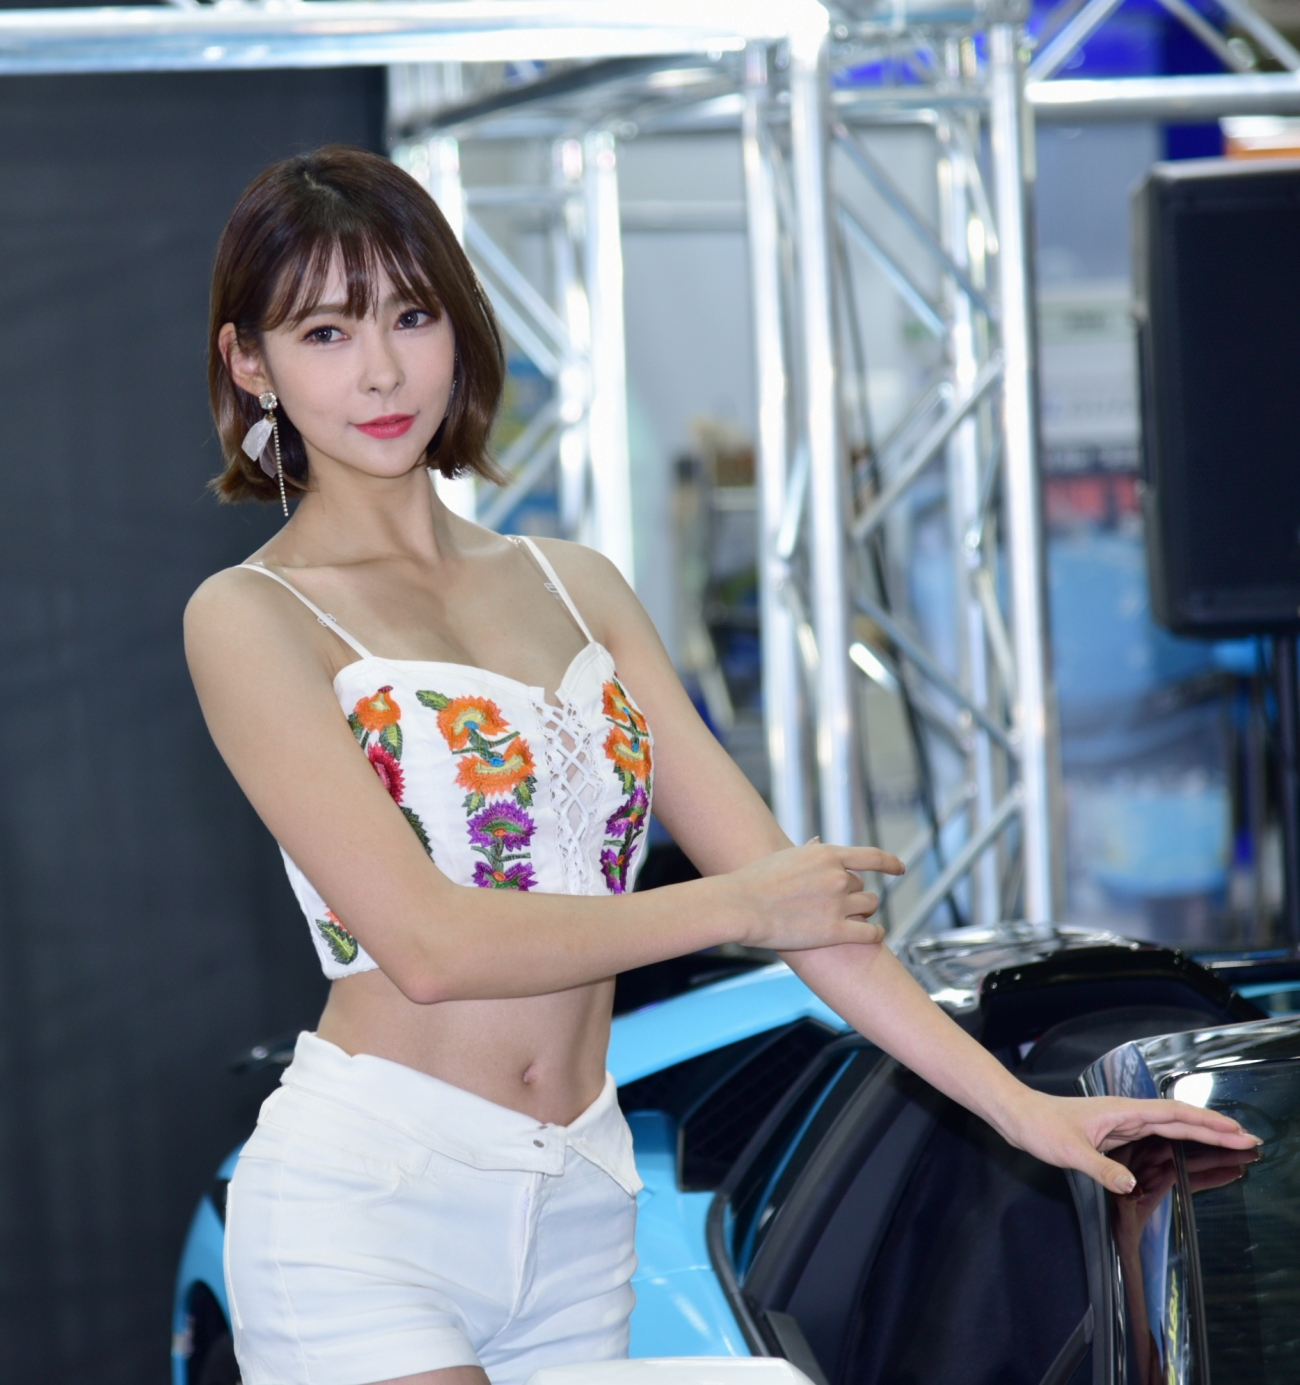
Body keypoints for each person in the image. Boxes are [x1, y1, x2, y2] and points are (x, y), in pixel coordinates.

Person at [185, 145, 1257, 1385]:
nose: (380, 370)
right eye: (325, 332)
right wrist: (745, 904)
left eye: (411, 316)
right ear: (249, 363)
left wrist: (1026, 1109)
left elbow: (802, 907)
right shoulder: (251, 616)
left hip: (580, 1200)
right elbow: (429, 946)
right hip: (371, 1196)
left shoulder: (573, 584)